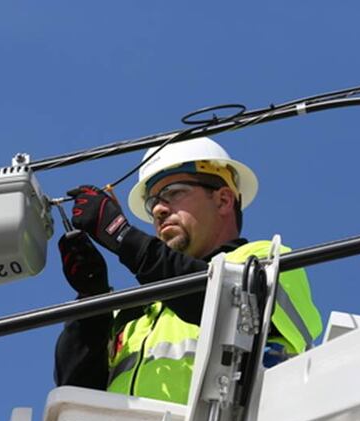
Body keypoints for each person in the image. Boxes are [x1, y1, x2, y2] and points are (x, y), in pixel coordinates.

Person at [54, 137, 322, 405]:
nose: (158, 209)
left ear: (223, 200)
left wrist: (123, 238)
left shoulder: (265, 259)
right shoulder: (137, 311)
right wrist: (91, 300)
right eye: (153, 202)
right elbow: (75, 393)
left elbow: (231, 310)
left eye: (174, 192)